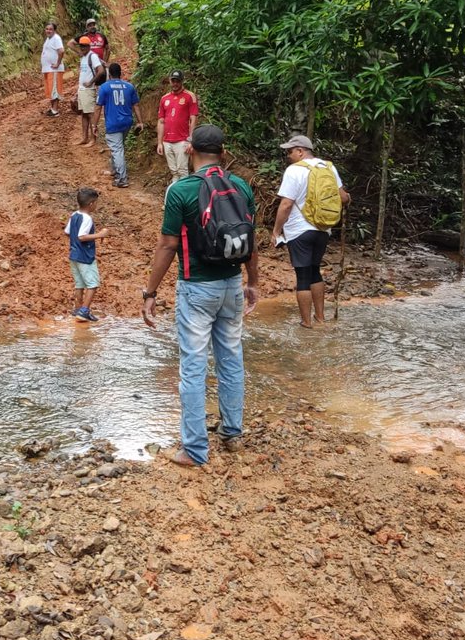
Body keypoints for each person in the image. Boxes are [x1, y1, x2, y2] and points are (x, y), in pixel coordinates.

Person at [141, 124, 259, 467]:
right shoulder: (240, 187)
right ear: (223, 153)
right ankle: (232, 432)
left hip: (195, 288)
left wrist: (151, 292)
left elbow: (167, 245)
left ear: (190, 149)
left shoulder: (181, 191)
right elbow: (250, 242)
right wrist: (253, 283)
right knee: (231, 359)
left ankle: (194, 449)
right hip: (232, 285)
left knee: (193, 366)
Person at [270, 134, 351, 329]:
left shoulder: (294, 170)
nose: (288, 155)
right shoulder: (328, 167)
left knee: (303, 276)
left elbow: (286, 204)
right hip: (323, 229)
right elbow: (343, 198)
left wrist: (276, 230)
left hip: (299, 230)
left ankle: (306, 323)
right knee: (315, 271)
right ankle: (320, 318)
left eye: (290, 151)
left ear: (300, 151)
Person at [91, 62, 144, 187]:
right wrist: (140, 121)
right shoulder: (129, 86)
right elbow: (135, 105)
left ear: (109, 75)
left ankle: (122, 179)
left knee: (117, 149)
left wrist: (94, 125)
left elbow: (98, 107)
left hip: (113, 123)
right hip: (127, 122)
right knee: (119, 147)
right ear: (120, 74)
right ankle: (115, 170)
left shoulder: (104, 87)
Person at [64, 186, 109, 322]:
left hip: (74, 255)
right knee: (93, 284)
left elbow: (67, 232)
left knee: (80, 284)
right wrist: (100, 234)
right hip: (85, 257)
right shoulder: (87, 218)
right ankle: (84, 311)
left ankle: (78, 309)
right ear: (91, 204)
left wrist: (75, 244)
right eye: (96, 203)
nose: (96, 205)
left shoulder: (74, 215)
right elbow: (82, 236)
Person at [157, 71, 199, 183]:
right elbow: (161, 121)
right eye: (173, 80)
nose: (175, 83)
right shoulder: (164, 98)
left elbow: (193, 119)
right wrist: (160, 142)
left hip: (182, 140)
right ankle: (174, 196)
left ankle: (184, 197)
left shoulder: (189, 96)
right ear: (170, 81)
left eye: (177, 81)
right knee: (174, 172)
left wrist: (191, 140)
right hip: (167, 141)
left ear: (182, 81)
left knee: (182, 171)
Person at [76, 36, 105, 144]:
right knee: (84, 113)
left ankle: (93, 139)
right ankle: (84, 138)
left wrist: (91, 82)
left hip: (88, 90)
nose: (82, 48)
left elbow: (101, 70)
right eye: (81, 46)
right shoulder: (83, 57)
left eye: (84, 46)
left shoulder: (92, 56)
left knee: (90, 114)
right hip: (82, 89)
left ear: (89, 46)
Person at [40, 21, 65, 116]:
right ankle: (52, 108)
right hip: (48, 69)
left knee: (54, 89)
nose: (48, 31)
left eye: (50, 29)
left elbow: (61, 51)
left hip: (54, 69)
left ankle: (55, 110)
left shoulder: (56, 38)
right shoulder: (48, 39)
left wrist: (57, 63)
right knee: (50, 89)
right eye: (47, 29)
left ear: (54, 30)